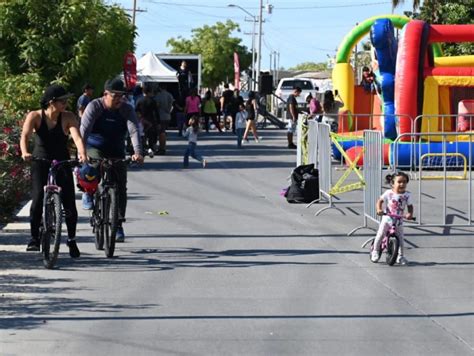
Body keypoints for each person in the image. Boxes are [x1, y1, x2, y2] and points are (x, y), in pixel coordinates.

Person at [20, 84, 88, 256]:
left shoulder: (68, 117)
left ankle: (71, 240)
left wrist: (82, 153)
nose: (66, 103)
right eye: (62, 100)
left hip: (62, 160)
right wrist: (25, 152)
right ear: (51, 102)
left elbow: (77, 138)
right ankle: (34, 238)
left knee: (69, 202)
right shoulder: (35, 116)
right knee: (36, 200)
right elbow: (25, 136)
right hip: (40, 160)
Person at [80, 78, 144, 242]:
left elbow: (134, 130)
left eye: (121, 96)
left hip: (116, 148)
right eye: (115, 96)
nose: (119, 100)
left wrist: (137, 152)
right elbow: (84, 130)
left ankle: (118, 225)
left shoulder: (126, 109)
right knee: (91, 169)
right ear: (105, 94)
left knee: (121, 186)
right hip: (95, 146)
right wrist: (82, 152)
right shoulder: (94, 106)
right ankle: (88, 192)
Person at [372, 171, 414, 265]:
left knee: (401, 239)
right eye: (399, 182)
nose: (402, 184)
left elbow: (410, 206)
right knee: (380, 234)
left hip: (399, 219)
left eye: (404, 182)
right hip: (387, 218)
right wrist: (379, 209)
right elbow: (380, 201)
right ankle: (375, 251)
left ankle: (400, 256)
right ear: (392, 183)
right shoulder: (389, 193)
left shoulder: (407, 195)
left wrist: (409, 214)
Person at [135, 84, 159, 158]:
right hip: (151, 120)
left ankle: (142, 150)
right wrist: (158, 122)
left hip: (141, 121)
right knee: (151, 137)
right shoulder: (153, 101)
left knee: (142, 136)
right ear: (150, 92)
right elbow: (156, 112)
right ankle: (150, 149)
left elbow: (135, 111)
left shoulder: (139, 100)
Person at [154, 83, 174, 154]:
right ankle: (162, 147)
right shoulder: (169, 95)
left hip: (160, 116)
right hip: (167, 116)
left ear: (160, 87)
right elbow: (171, 105)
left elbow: (156, 105)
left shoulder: (158, 95)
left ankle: (162, 148)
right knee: (163, 132)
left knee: (161, 133)